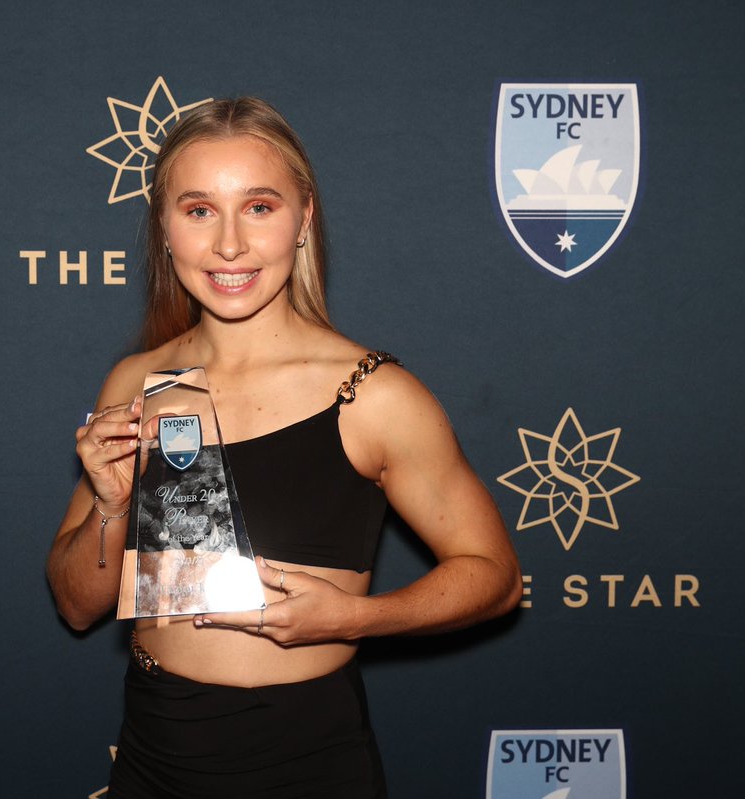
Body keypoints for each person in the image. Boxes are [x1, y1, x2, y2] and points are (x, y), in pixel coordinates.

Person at [47, 97, 520, 798]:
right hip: (152, 749)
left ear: (303, 220)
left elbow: (496, 577)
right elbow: (76, 604)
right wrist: (114, 506)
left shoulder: (372, 393)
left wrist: (361, 616)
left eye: (260, 207)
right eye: (199, 209)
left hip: (304, 761)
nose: (229, 244)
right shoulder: (139, 380)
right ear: (165, 229)